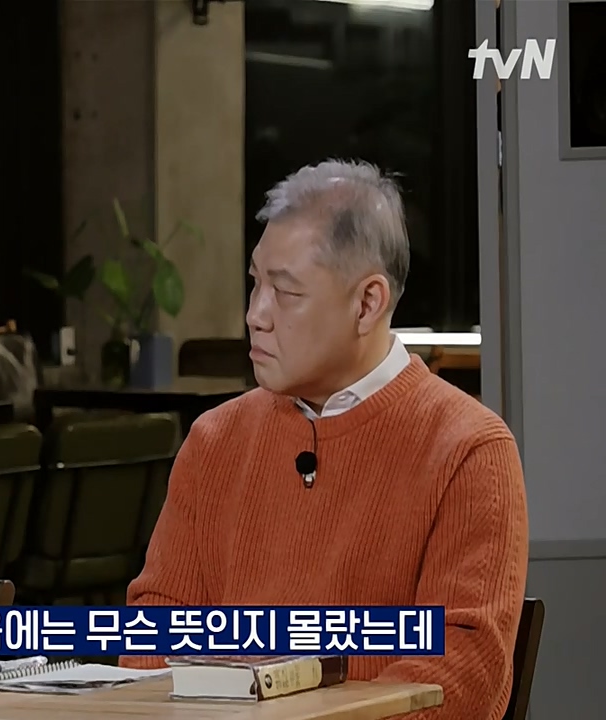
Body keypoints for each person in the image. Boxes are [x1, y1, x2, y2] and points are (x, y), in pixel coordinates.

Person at [121, 160, 528, 720]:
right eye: (255, 283)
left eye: (286, 292)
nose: (255, 315)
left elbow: (460, 677)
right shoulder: (215, 441)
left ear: (367, 303)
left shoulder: (468, 450)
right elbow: (152, 641)